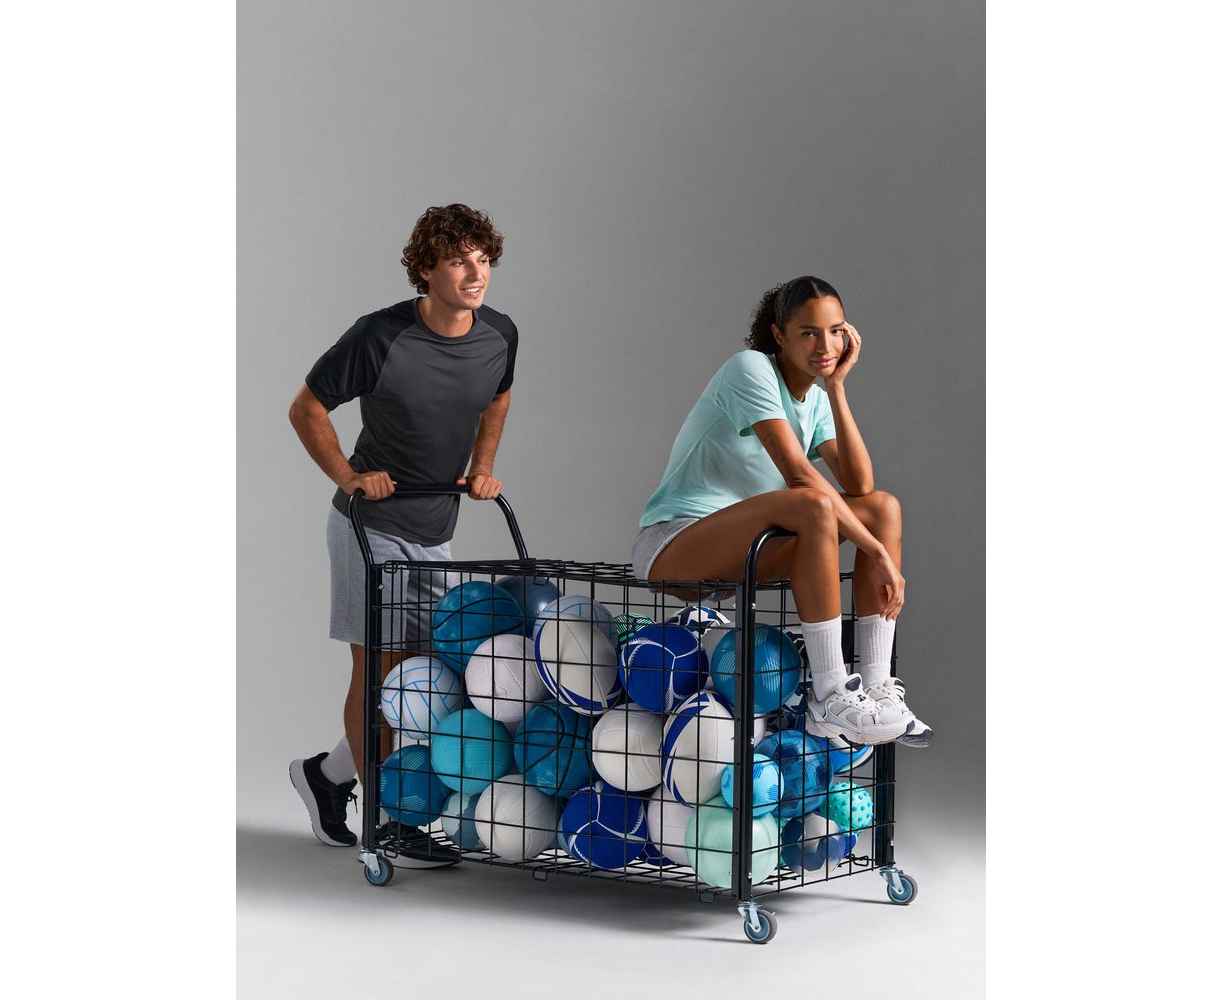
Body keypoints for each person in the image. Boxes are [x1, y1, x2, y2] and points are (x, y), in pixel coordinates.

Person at [287, 204, 519, 847]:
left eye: (483, 260)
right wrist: (349, 477)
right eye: (458, 261)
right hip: (371, 527)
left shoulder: (499, 334)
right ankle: (386, 821)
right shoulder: (380, 336)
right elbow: (307, 409)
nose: (475, 274)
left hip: (435, 527)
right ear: (425, 270)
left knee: (420, 678)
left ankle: (325, 776)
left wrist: (482, 468)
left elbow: (499, 396)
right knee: (380, 672)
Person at [632, 275, 930, 747]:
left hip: (750, 553)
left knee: (883, 508)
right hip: (675, 547)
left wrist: (836, 389)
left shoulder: (816, 397)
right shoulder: (749, 368)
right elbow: (798, 474)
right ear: (779, 335)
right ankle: (829, 695)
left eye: (835, 331)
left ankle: (876, 688)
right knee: (812, 501)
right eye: (808, 333)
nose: (824, 346)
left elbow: (860, 486)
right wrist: (877, 552)